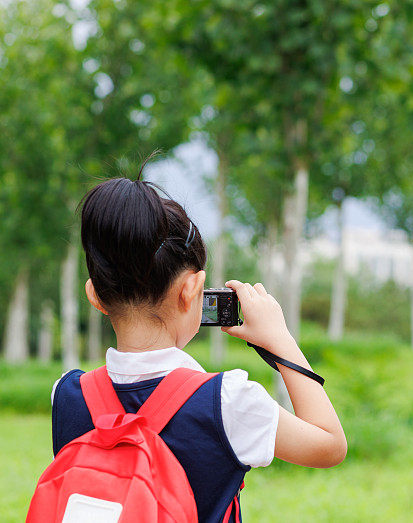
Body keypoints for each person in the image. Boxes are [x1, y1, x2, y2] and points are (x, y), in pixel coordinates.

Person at [50, 174, 346, 521]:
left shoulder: (66, 395)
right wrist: (280, 339)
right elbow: (330, 445)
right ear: (192, 289)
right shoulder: (227, 401)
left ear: (95, 295)